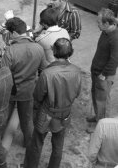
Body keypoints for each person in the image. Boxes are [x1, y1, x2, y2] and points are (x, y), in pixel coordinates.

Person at [23, 38, 82, 168]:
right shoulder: (77, 71)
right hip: (65, 112)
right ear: (70, 52)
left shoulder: (47, 73)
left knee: (37, 143)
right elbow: (77, 93)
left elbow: (38, 96)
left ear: (54, 51)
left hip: (46, 113)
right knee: (58, 145)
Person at [1, 17, 46, 148]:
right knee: (27, 120)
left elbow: (4, 74)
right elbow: (43, 70)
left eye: (9, 33)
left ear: (14, 33)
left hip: (10, 91)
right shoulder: (38, 47)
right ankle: (28, 143)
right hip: (28, 91)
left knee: (3, 118)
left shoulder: (10, 50)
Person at [87, 8, 118, 126]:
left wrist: (103, 75)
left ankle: (101, 126)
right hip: (97, 72)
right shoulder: (106, 31)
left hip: (103, 75)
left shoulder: (115, 38)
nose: (97, 24)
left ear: (106, 24)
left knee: (102, 101)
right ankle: (97, 117)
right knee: (96, 96)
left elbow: (114, 61)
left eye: (99, 22)